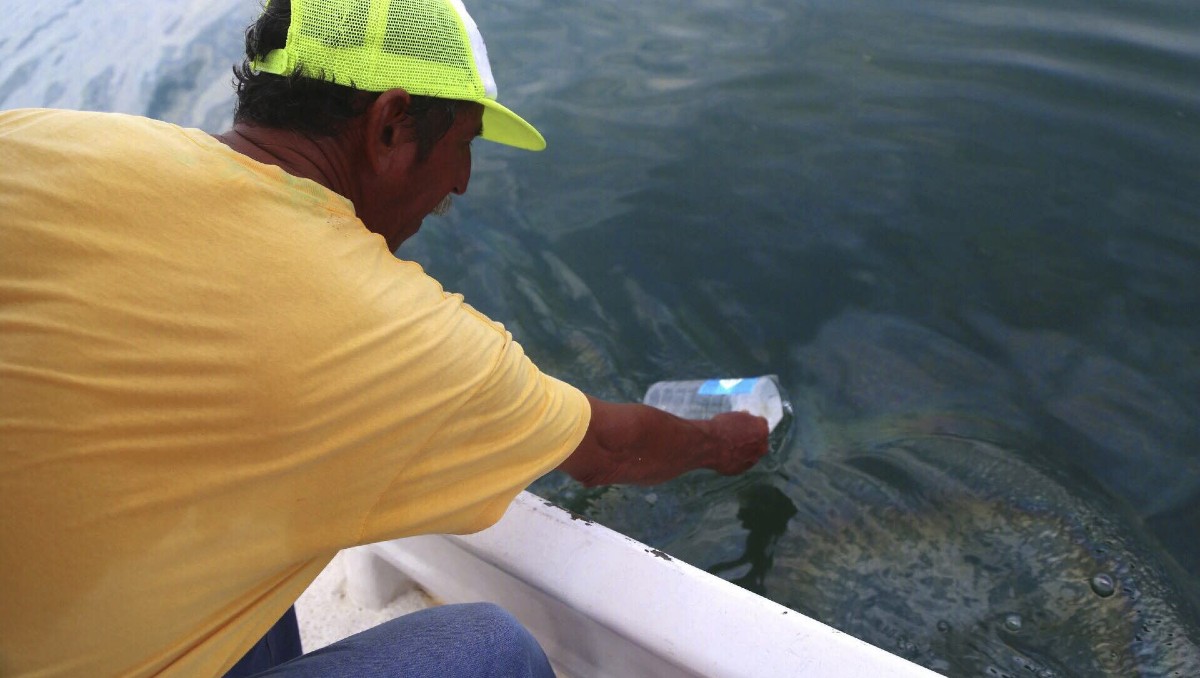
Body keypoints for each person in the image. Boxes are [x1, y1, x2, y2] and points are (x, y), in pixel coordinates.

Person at [0, 0, 769, 675]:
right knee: (493, 651)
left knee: (249, 564)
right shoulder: (384, 330)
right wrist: (724, 441)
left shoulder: (39, 140)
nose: (463, 180)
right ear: (391, 125)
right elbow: (607, 450)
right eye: (464, 141)